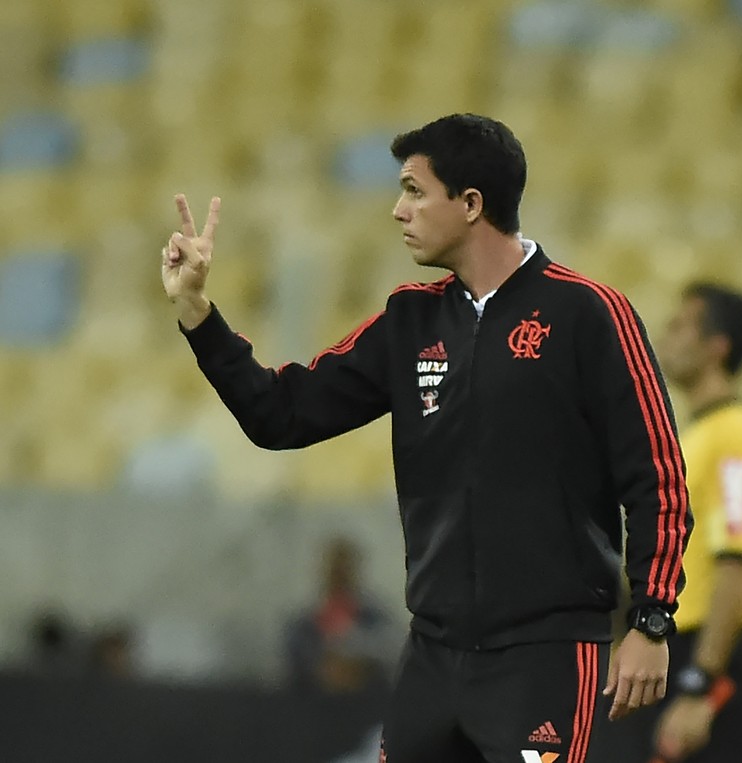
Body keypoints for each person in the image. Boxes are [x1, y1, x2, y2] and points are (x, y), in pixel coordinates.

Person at [160, 113, 692, 763]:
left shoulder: (589, 313)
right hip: (433, 657)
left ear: (471, 204)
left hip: (544, 659)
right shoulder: (409, 318)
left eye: (414, 190)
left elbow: (658, 479)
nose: (397, 210)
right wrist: (197, 313)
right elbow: (280, 414)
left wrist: (652, 619)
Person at [622, 283, 742, 763]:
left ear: (717, 347)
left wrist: (700, 685)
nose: (665, 338)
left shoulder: (734, 436)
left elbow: (736, 563)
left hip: (707, 657)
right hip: (673, 650)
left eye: (680, 326)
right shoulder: (699, 433)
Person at [284, 536, 395, 695]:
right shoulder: (304, 624)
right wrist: (323, 667)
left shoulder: (374, 619)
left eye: (345, 568)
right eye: (335, 568)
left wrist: (358, 665)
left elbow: (390, 652)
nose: (340, 574)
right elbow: (294, 660)